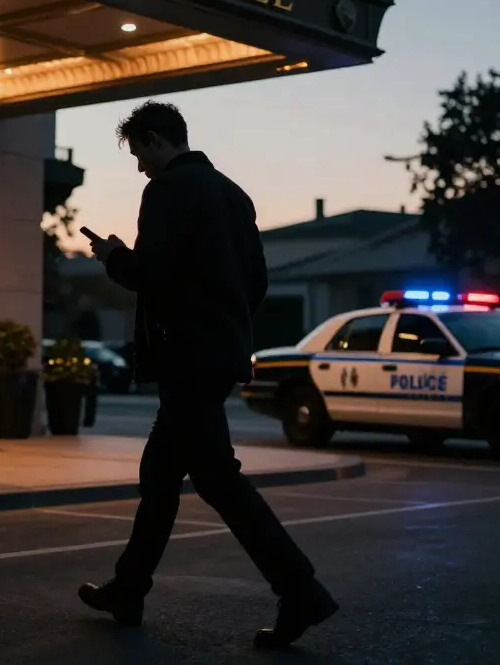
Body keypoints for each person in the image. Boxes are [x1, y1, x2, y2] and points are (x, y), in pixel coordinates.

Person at [78, 101, 338, 649]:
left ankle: (301, 591)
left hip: (185, 359)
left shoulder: (168, 190)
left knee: (219, 480)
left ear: (154, 140)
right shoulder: (232, 193)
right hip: (219, 356)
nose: (140, 168)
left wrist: (114, 257)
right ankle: (128, 588)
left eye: (139, 154)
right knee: (160, 477)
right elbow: (257, 282)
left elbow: (155, 274)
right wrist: (224, 322)